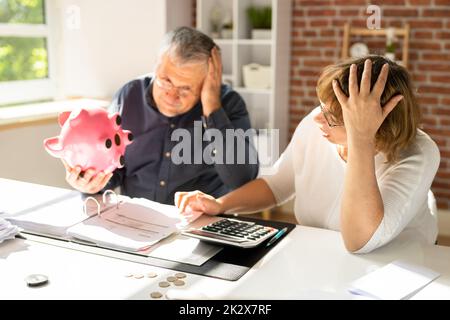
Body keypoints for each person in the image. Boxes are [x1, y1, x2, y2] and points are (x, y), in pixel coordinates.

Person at [175, 55, 440, 253]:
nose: (317, 120)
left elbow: (360, 240)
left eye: (334, 117)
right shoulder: (318, 125)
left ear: (375, 124)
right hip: (320, 252)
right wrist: (221, 205)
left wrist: (361, 139)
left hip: (397, 262)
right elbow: (277, 184)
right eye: (322, 107)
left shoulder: (418, 153)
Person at [62, 26, 259, 205]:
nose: (172, 95)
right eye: (165, 80)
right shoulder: (129, 95)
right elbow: (113, 170)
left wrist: (212, 107)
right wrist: (92, 184)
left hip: (201, 225)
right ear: (156, 66)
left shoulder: (228, 103)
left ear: (208, 82)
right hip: (137, 222)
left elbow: (241, 180)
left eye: (185, 89)